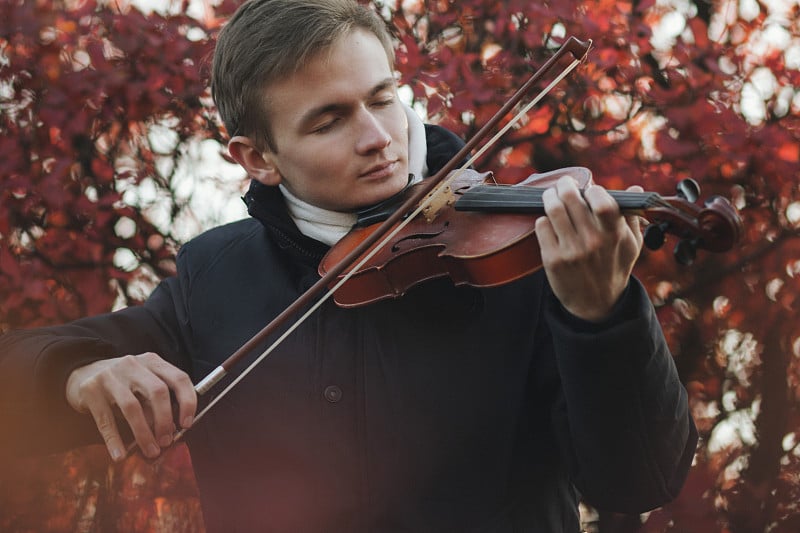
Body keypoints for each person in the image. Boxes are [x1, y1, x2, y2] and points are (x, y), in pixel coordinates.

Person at [0, 0, 697, 531]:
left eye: (383, 98)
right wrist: (77, 373)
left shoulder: (523, 255)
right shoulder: (216, 277)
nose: (378, 139)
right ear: (256, 158)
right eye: (328, 119)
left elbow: (640, 481)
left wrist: (601, 315)